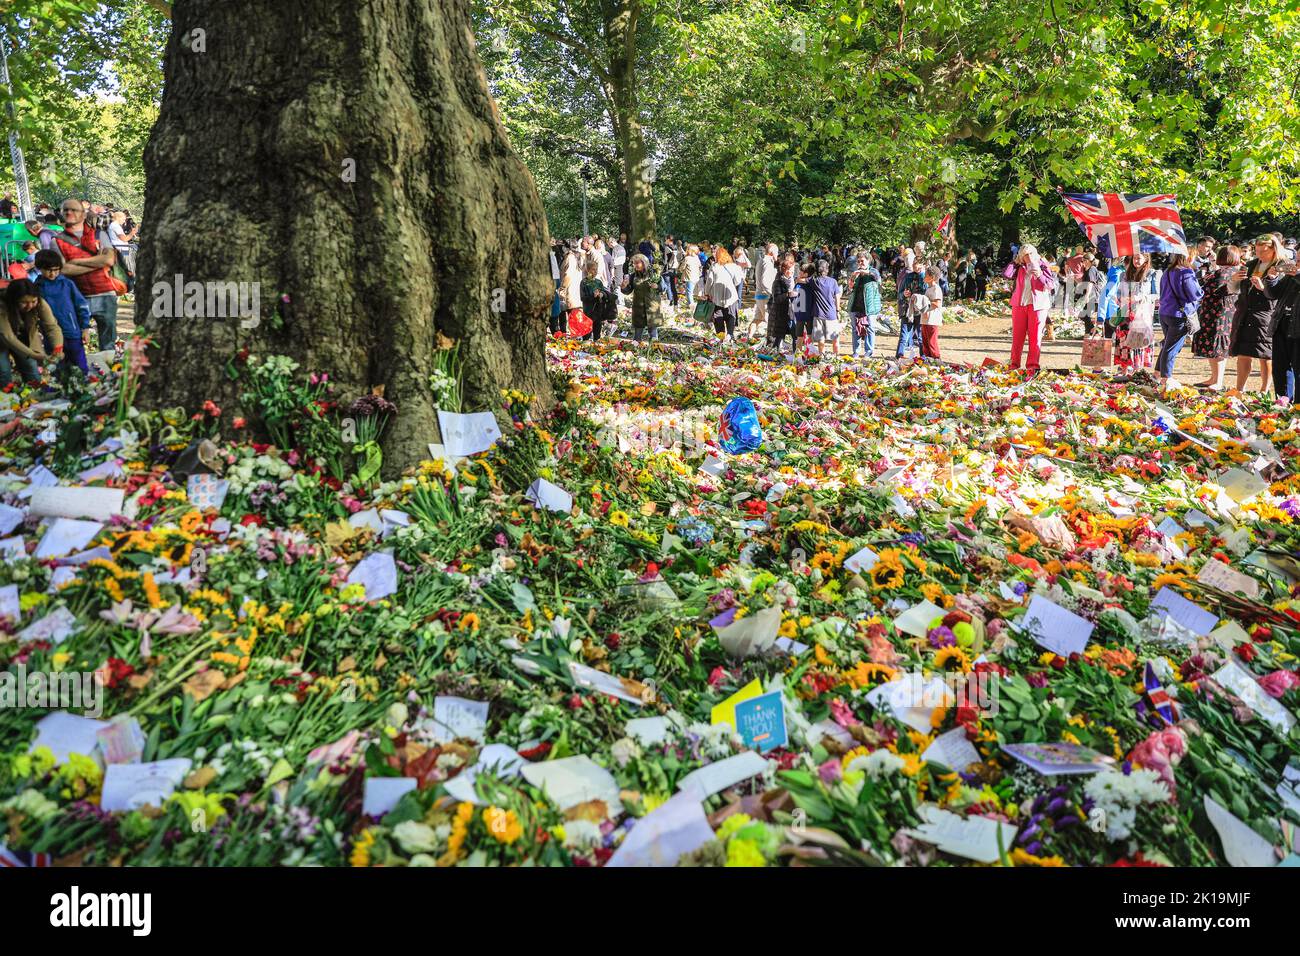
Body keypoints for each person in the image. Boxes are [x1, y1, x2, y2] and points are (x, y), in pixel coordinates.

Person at [42, 198, 119, 349]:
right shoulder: (56, 241)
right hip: (76, 296)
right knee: (74, 341)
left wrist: (75, 262)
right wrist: (98, 262)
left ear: (83, 214)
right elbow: (63, 269)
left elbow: (109, 260)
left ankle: (108, 364)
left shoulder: (99, 235)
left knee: (108, 344)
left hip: (105, 294)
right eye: (65, 210)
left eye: (74, 210)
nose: (69, 212)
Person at [1229, 234, 1287, 394]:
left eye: (1264, 251)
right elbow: (1233, 289)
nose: (1259, 254)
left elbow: (1282, 294)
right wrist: (1233, 280)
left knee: (1265, 355)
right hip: (1245, 314)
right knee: (1242, 354)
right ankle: (1239, 390)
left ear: (1274, 249)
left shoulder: (1282, 266)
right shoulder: (1250, 264)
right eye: (1257, 250)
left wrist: (1263, 287)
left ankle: (1264, 391)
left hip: (1267, 316)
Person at [33, 249, 92, 376]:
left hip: (71, 332)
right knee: (55, 368)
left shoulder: (67, 284)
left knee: (80, 366)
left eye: (56, 270)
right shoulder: (36, 287)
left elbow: (81, 305)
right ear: (39, 268)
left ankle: (85, 385)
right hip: (50, 336)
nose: (53, 273)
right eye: (49, 270)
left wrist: (85, 328)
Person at [1191, 246, 1242, 391]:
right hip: (1216, 312)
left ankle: (1217, 381)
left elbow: (1211, 290)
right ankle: (1214, 378)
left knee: (1218, 347)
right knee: (1214, 347)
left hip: (1219, 314)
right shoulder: (1227, 271)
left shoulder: (1226, 273)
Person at [1003, 244, 1055, 373]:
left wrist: (1040, 275)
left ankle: (1032, 366)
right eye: (1025, 255)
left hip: (1038, 306)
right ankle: (1014, 365)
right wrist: (1015, 262)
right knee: (1017, 337)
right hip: (1019, 305)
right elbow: (1007, 274)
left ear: (1035, 254)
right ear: (1021, 256)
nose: (1028, 257)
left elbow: (1051, 285)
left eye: (1030, 254)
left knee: (1035, 337)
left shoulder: (1042, 265)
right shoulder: (1019, 266)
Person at [1, 278, 61, 387]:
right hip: (2, 338)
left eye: (33, 301)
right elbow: (8, 336)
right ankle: (5, 395)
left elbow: (52, 327)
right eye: (24, 302)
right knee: (3, 371)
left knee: (31, 369)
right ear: (13, 300)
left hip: (22, 336)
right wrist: (33, 355)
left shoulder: (40, 303)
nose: (29, 306)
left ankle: (34, 394)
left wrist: (58, 348)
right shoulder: (2, 305)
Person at [1155, 253, 1203, 387]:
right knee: (1171, 348)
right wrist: (1203, 289)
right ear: (1189, 257)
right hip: (1178, 314)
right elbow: (1195, 294)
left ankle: (1157, 373)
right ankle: (1166, 378)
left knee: (1167, 345)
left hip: (1165, 312)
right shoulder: (1186, 272)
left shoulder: (1167, 271)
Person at [1116, 253, 1158, 371]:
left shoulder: (1152, 274)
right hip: (1125, 313)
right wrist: (1119, 298)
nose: (1136, 261)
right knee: (1124, 340)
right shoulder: (1125, 274)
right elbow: (1119, 293)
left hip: (1141, 313)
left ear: (1146, 259)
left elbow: (1156, 295)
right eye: (1134, 258)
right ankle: (1124, 370)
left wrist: (1140, 297)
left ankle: (1136, 371)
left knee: (1138, 341)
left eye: (1139, 258)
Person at [846, 253, 881, 360]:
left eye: (862, 261)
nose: (860, 263)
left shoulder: (873, 271)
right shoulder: (855, 273)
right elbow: (849, 290)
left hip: (869, 306)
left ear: (868, 261)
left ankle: (868, 352)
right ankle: (856, 352)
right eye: (858, 261)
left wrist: (864, 272)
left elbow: (877, 277)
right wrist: (851, 284)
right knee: (855, 329)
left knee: (870, 329)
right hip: (855, 305)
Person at [707, 247, 744, 342]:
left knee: (717, 316)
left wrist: (707, 293)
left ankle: (721, 337)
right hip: (730, 296)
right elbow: (737, 281)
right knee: (731, 315)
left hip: (716, 296)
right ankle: (730, 335)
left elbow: (709, 282)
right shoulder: (734, 266)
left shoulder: (714, 266)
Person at [809, 259, 842, 359]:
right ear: (827, 269)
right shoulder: (833, 281)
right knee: (835, 338)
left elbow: (800, 280)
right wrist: (838, 311)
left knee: (821, 339)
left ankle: (822, 357)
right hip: (831, 314)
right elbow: (837, 297)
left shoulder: (814, 281)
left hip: (818, 314)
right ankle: (836, 357)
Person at [624, 253, 659, 343]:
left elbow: (664, 287)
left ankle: (654, 349)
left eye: (637, 263)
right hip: (638, 307)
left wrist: (657, 286)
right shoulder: (633, 276)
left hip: (652, 306)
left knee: (653, 334)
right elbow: (628, 291)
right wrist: (624, 287)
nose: (635, 265)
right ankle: (636, 349)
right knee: (637, 335)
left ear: (644, 263)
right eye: (634, 263)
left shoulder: (654, 274)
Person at [896, 258, 927, 358]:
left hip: (920, 310)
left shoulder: (926, 278)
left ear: (923, 266)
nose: (916, 267)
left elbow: (927, 294)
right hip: (907, 309)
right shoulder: (907, 276)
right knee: (904, 336)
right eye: (914, 265)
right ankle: (899, 356)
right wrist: (904, 294)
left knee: (921, 336)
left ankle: (923, 357)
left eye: (918, 265)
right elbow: (899, 293)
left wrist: (922, 275)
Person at [579, 259, 615, 342]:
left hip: (598, 311)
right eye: (593, 269)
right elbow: (583, 298)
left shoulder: (598, 282)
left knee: (597, 333)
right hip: (588, 311)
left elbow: (604, 293)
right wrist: (593, 296)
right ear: (588, 270)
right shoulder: (584, 282)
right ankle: (585, 345)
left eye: (596, 269)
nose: (595, 271)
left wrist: (602, 294)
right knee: (587, 333)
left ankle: (596, 345)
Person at [768, 254, 797, 352]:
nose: (792, 272)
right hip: (780, 313)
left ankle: (795, 353)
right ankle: (774, 353)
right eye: (791, 270)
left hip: (790, 312)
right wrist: (788, 294)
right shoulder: (778, 282)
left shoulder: (791, 280)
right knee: (779, 336)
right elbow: (776, 299)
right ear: (785, 270)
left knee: (794, 335)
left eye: (793, 270)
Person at [107, 209, 139, 293]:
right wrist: (132, 232)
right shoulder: (115, 226)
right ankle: (129, 288)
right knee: (128, 268)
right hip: (120, 249)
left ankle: (129, 287)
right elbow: (124, 239)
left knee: (128, 268)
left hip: (121, 248)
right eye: (123, 219)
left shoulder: (115, 225)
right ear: (118, 218)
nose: (124, 221)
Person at [556, 243, 583, 335]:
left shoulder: (570, 258)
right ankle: (570, 335)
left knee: (572, 314)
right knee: (570, 313)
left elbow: (568, 275)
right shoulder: (574, 256)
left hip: (570, 289)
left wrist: (562, 288)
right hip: (573, 289)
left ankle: (575, 336)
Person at [919, 265, 944, 360]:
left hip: (932, 320)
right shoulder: (928, 288)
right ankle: (928, 361)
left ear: (932, 277)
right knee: (925, 343)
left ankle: (937, 361)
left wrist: (925, 303)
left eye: (926, 275)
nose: (924, 276)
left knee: (932, 343)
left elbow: (937, 303)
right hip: (925, 319)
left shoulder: (936, 289)